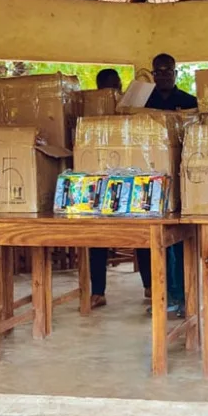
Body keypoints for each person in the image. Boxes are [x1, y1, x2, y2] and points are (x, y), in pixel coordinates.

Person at [138, 53, 197, 315]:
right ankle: (160, 294)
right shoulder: (141, 102)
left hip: (180, 181)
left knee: (180, 243)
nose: (162, 75)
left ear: (176, 72)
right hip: (148, 181)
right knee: (154, 242)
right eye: (158, 71)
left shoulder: (188, 101)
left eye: (167, 70)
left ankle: (183, 295)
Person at [87, 68, 123, 308]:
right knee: (97, 238)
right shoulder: (91, 113)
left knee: (142, 237)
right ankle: (97, 290)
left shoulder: (128, 108)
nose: (113, 92)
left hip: (126, 180)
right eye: (107, 88)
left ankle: (149, 285)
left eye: (116, 86)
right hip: (99, 182)